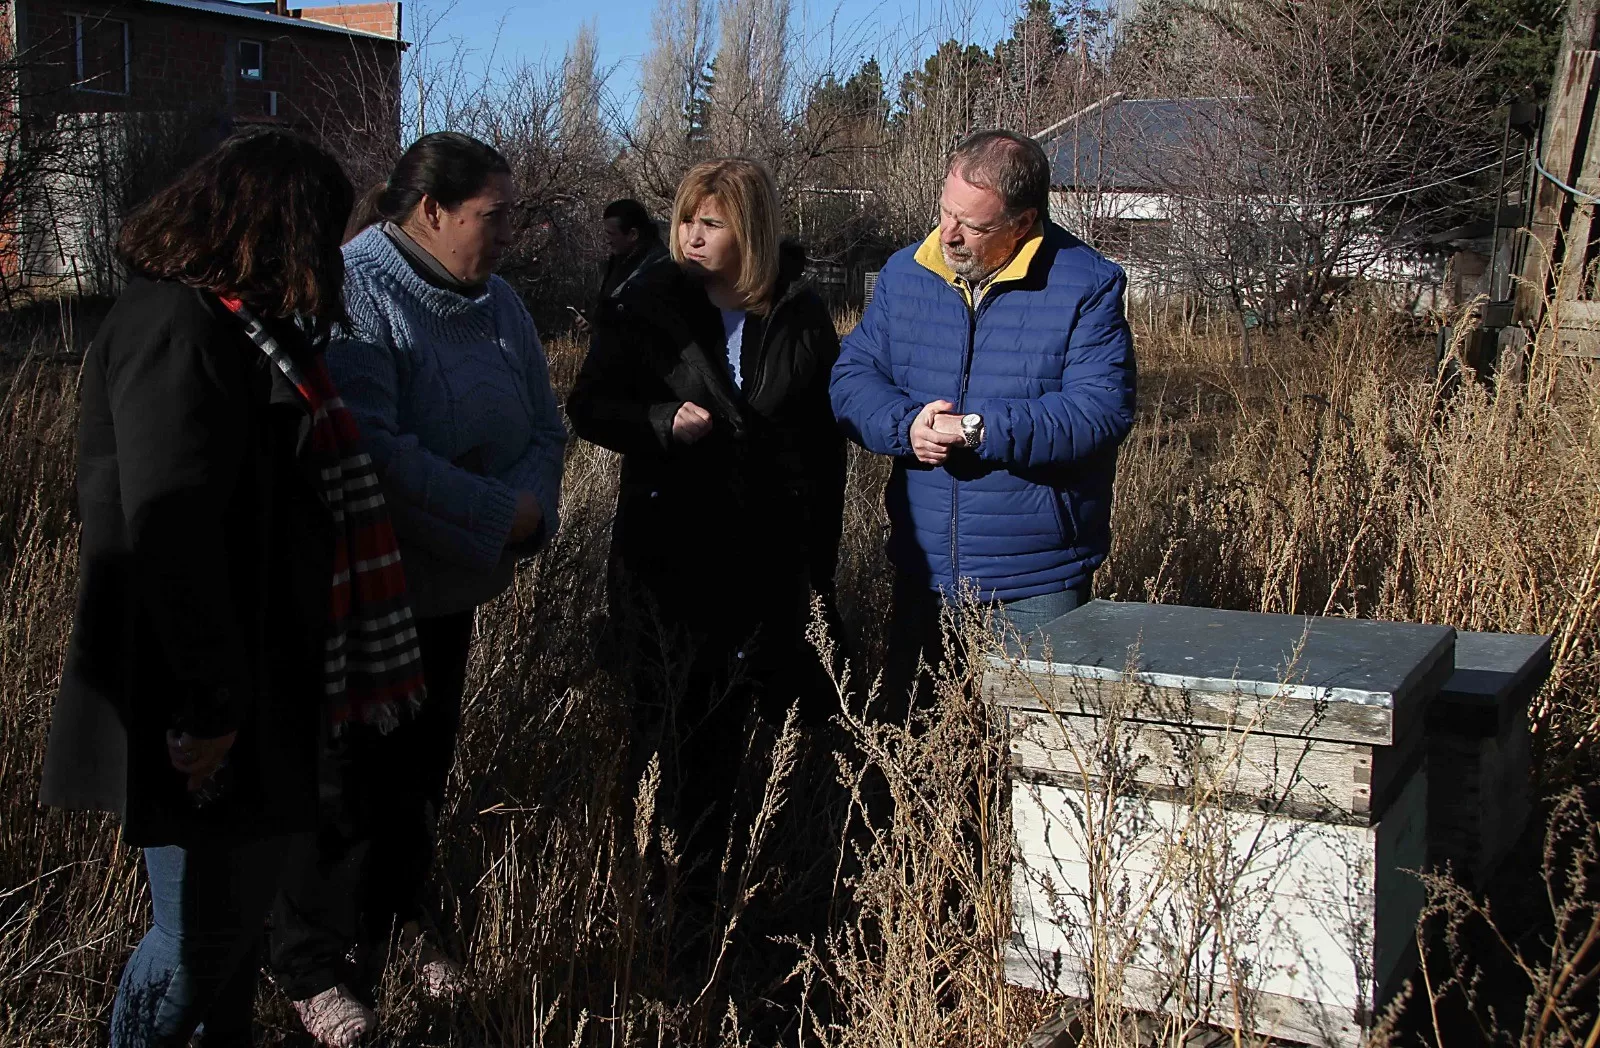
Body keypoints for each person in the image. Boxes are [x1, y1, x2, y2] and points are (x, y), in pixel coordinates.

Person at [38, 129, 426, 1047]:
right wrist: (210, 708)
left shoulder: (250, 328)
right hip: (197, 709)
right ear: (273, 227)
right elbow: (167, 535)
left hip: (260, 688)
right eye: (320, 230)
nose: (330, 253)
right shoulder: (174, 327)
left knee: (229, 941)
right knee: (193, 946)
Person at [267, 131, 567, 1046]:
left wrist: (531, 507)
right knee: (346, 781)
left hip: (452, 593)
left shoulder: (502, 302)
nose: (510, 232)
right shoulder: (362, 287)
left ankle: (400, 924)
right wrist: (493, 513)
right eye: (494, 215)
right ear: (431, 211)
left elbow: (546, 428)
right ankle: (313, 964)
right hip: (371, 592)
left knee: (420, 773)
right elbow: (374, 451)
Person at [566, 158, 846, 900]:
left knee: (753, 727)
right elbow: (589, 406)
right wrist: (659, 421)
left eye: (710, 223)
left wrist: (820, 566)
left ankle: (741, 881)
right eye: (685, 219)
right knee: (664, 725)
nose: (690, 235)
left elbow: (823, 450)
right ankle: (649, 889)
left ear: (749, 229)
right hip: (669, 554)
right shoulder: (648, 302)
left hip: (767, 556)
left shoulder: (799, 310)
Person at [829, 129, 1136, 715]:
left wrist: (980, 430)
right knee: (917, 757)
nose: (949, 234)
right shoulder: (907, 273)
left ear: (1023, 223)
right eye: (945, 212)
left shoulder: (1085, 284)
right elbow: (852, 380)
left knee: (1039, 768)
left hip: (1036, 579)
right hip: (924, 569)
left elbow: (1100, 409)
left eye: (973, 225)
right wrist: (905, 425)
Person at [575, 198, 671, 333]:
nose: (607, 241)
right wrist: (593, 325)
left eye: (611, 234)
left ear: (633, 234)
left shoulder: (660, 270)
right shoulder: (615, 264)